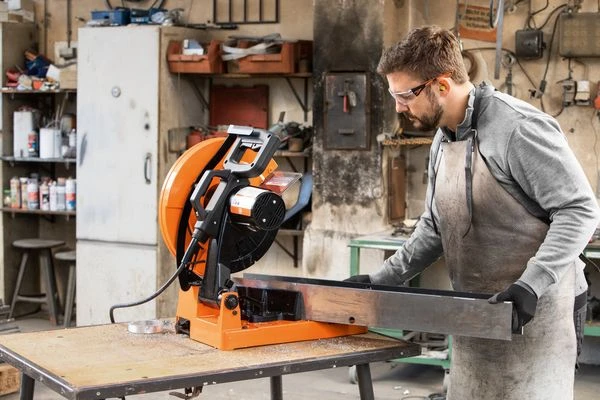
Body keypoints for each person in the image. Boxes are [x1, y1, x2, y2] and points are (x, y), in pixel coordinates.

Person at [346, 26, 600, 400]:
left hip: (538, 309)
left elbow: (579, 209)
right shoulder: (442, 138)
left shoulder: (518, 128)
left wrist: (531, 284)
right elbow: (435, 226)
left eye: (404, 95)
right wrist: (380, 280)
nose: (399, 107)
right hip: (477, 313)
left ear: (442, 85)